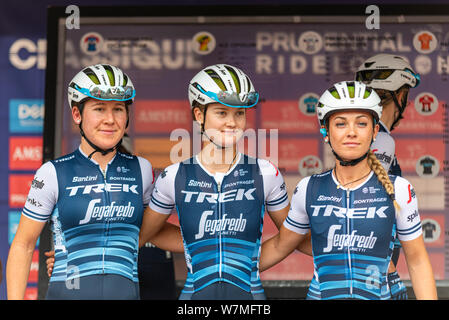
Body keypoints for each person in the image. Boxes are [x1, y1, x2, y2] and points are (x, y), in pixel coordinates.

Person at [259, 81, 437, 300]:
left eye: (361, 124)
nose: (351, 132)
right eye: (341, 124)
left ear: (374, 131)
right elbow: (279, 245)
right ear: (325, 131)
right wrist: (232, 268)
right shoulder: (309, 188)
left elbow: (417, 260)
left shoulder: (399, 189)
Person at [139, 64, 291, 300]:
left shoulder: (266, 172)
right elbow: (144, 233)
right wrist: (198, 247)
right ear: (199, 115)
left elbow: (290, 236)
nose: (232, 122)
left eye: (239, 113)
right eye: (221, 112)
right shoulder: (173, 175)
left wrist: (245, 264)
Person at [6, 64, 155, 300]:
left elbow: (153, 231)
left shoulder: (142, 169)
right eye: (99, 108)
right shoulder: (53, 172)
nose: (110, 119)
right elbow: (23, 245)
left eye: (118, 109)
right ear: (77, 114)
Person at [356, 54, 421, 299]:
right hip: (373, 271)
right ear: (400, 95)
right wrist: (390, 272)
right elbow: (365, 205)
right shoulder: (381, 139)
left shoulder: (364, 135)